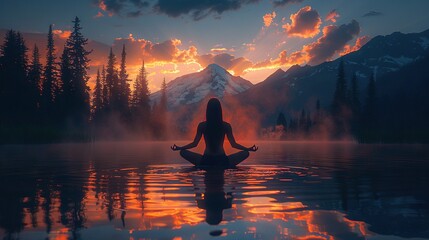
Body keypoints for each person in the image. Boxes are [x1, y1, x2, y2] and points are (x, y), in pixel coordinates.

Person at [171, 98, 258, 167]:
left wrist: (180, 148)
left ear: (207, 111)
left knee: (182, 152)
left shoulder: (202, 125)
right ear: (220, 111)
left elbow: (194, 144)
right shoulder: (226, 126)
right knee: (246, 153)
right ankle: (226, 165)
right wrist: (248, 149)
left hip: (206, 160)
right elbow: (233, 144)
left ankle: (202, 165)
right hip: (222, 160)